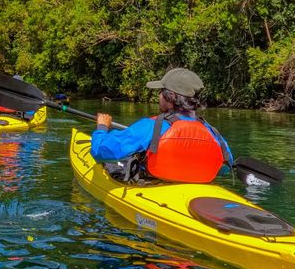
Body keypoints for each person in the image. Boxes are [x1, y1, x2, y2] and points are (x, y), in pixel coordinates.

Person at [92, 68, 233, 184]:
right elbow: (226, 166)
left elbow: (100, 151)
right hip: (198, 192)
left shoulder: (150, 127)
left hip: (154, 189)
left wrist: (102, 128)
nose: (158, 96)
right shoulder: (212, 132)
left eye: (160, 92)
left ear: (170, 96)